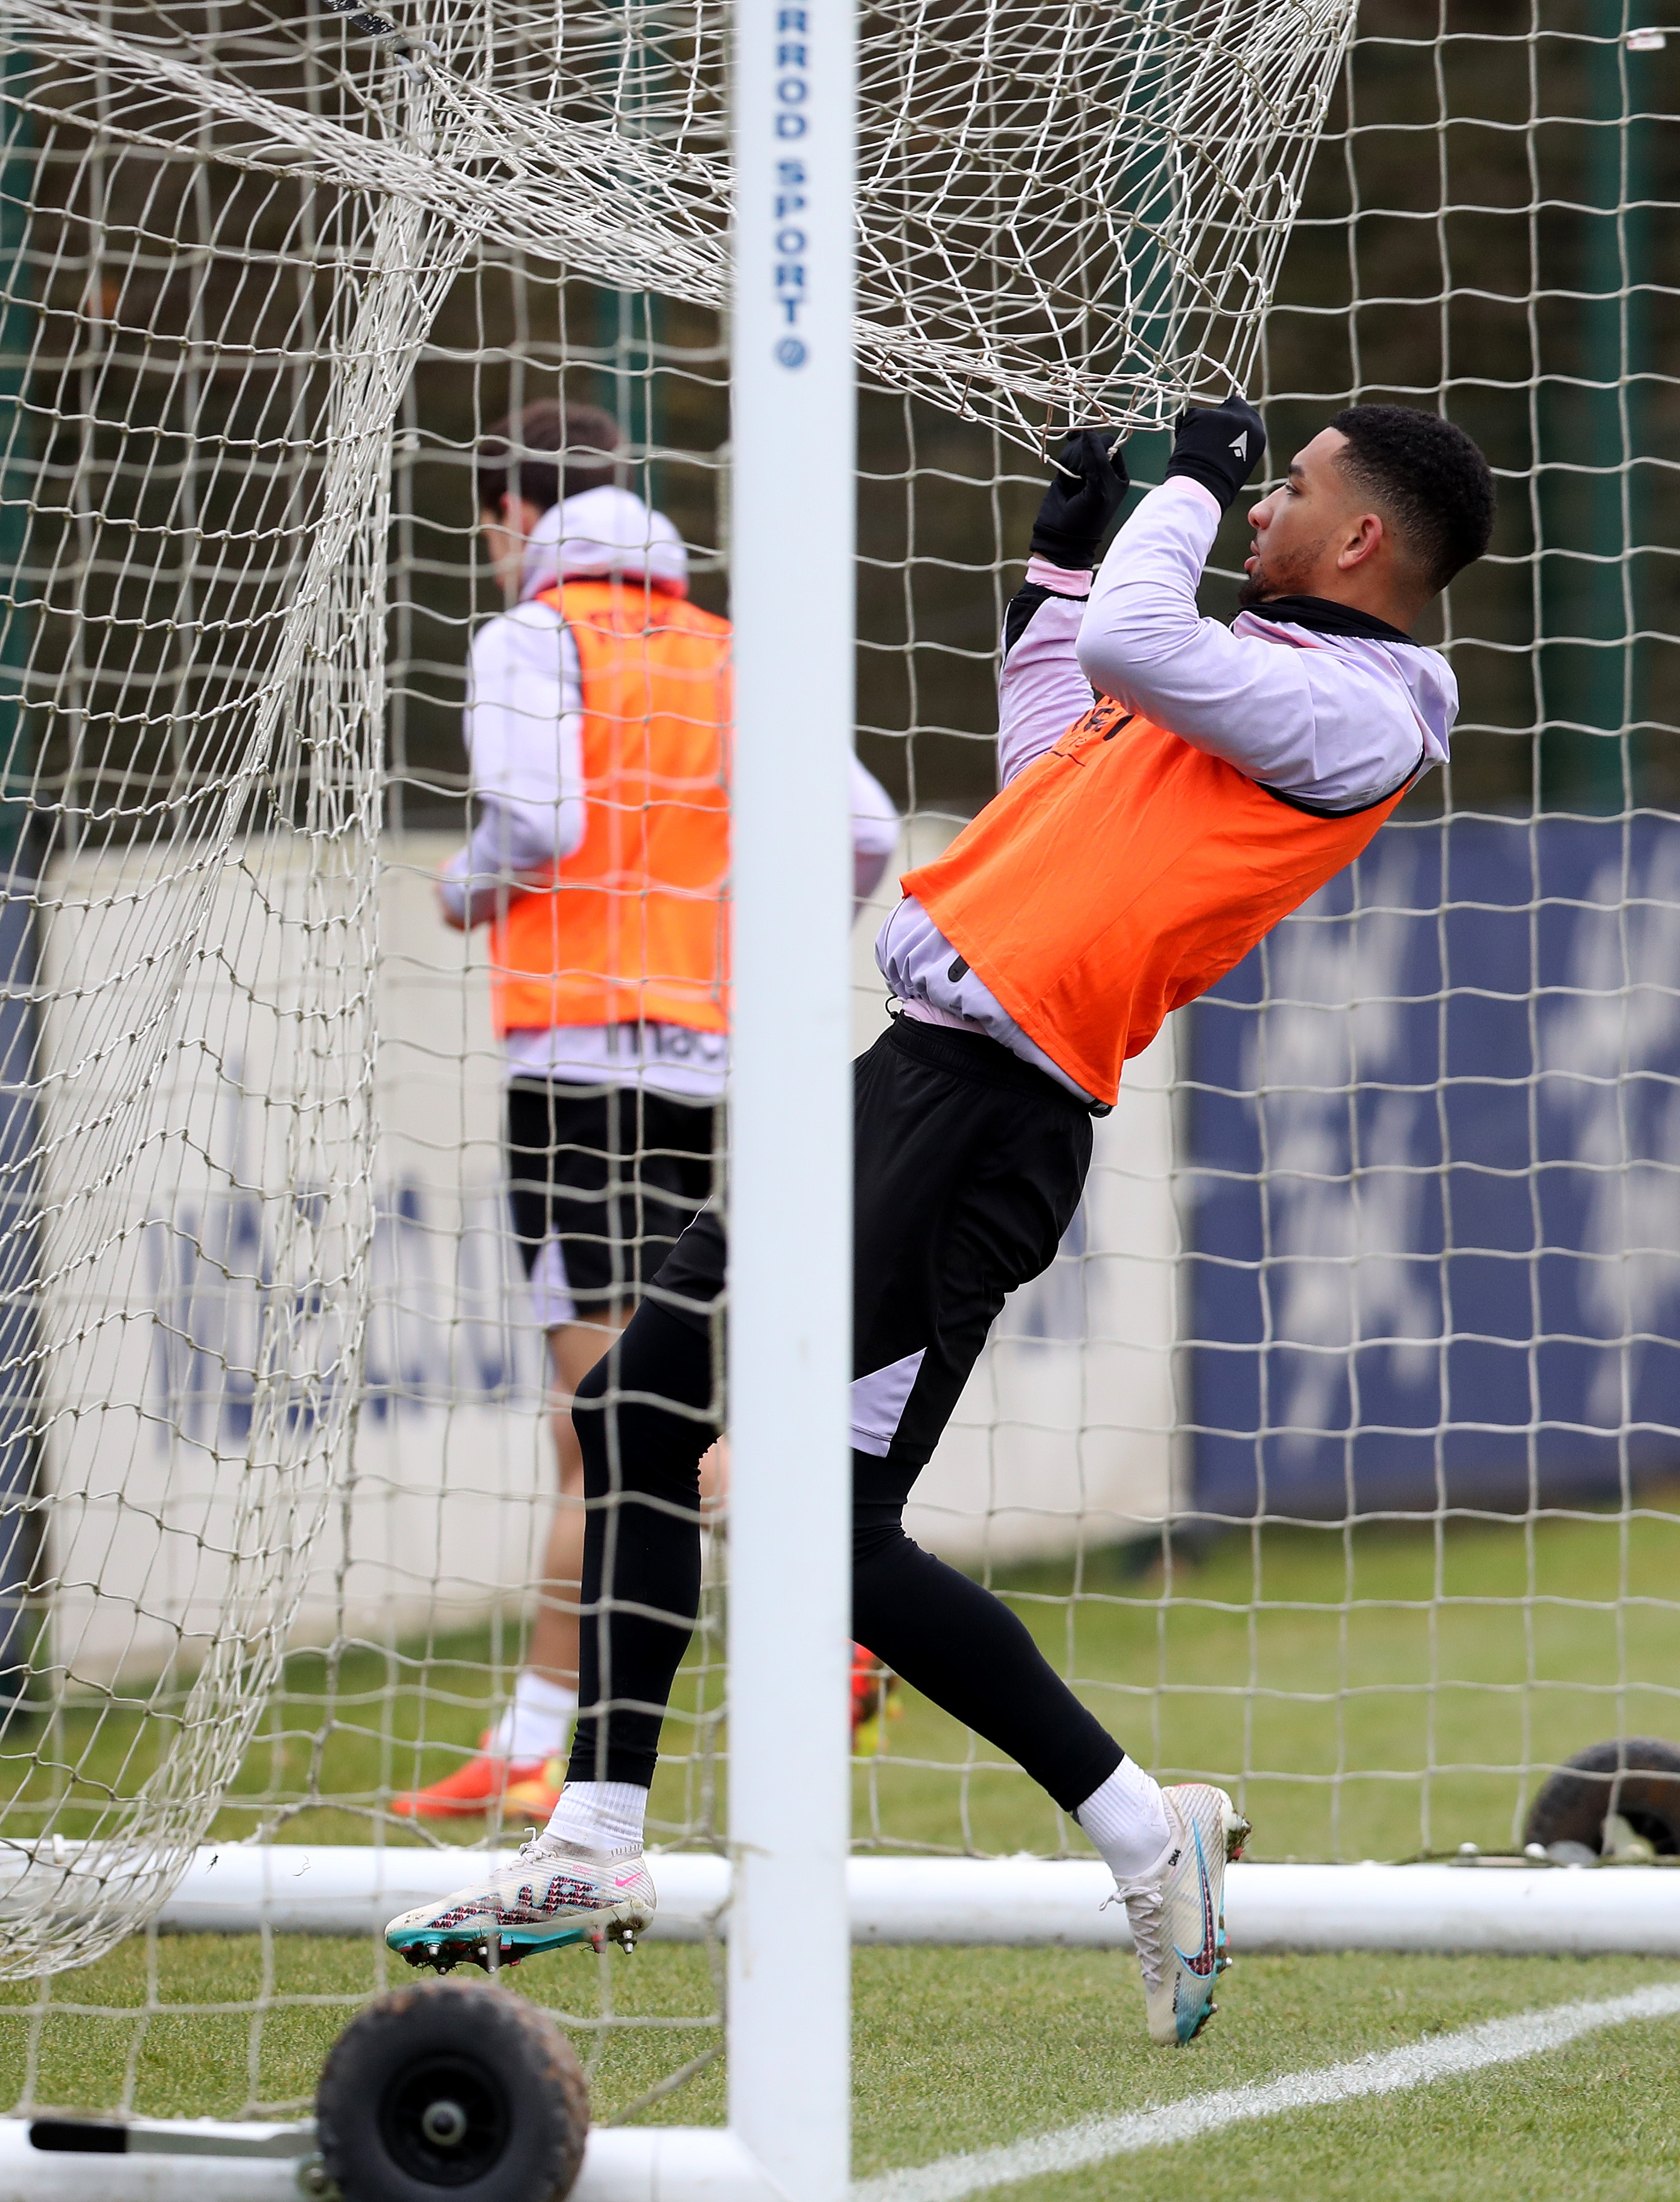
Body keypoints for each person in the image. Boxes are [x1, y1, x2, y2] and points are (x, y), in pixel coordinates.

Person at [384, 395, 1494, 2043]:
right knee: (649, 1418)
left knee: (778, 1505)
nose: (1259, 514)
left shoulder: (1360, 714)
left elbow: (1138, 640)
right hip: (904, 1082)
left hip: (985, 1125)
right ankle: (603, 1842)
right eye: (1249, 492)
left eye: (1291, 492)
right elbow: (1057, 741)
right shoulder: (1245, 689)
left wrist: (1179, 489)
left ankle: (1121, 1828)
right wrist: (1053, 572)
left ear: (1362, 543)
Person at [392, 399, 904, 1827]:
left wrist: (467, 885)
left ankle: (821, 1617)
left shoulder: (530, 637)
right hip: (696, 1068)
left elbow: (540, 817)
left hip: (570, 1067)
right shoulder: (725, 651)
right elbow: (863, 829)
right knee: (608, 1425)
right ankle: (542, 1730)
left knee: (611, 1412)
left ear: (510, 518)